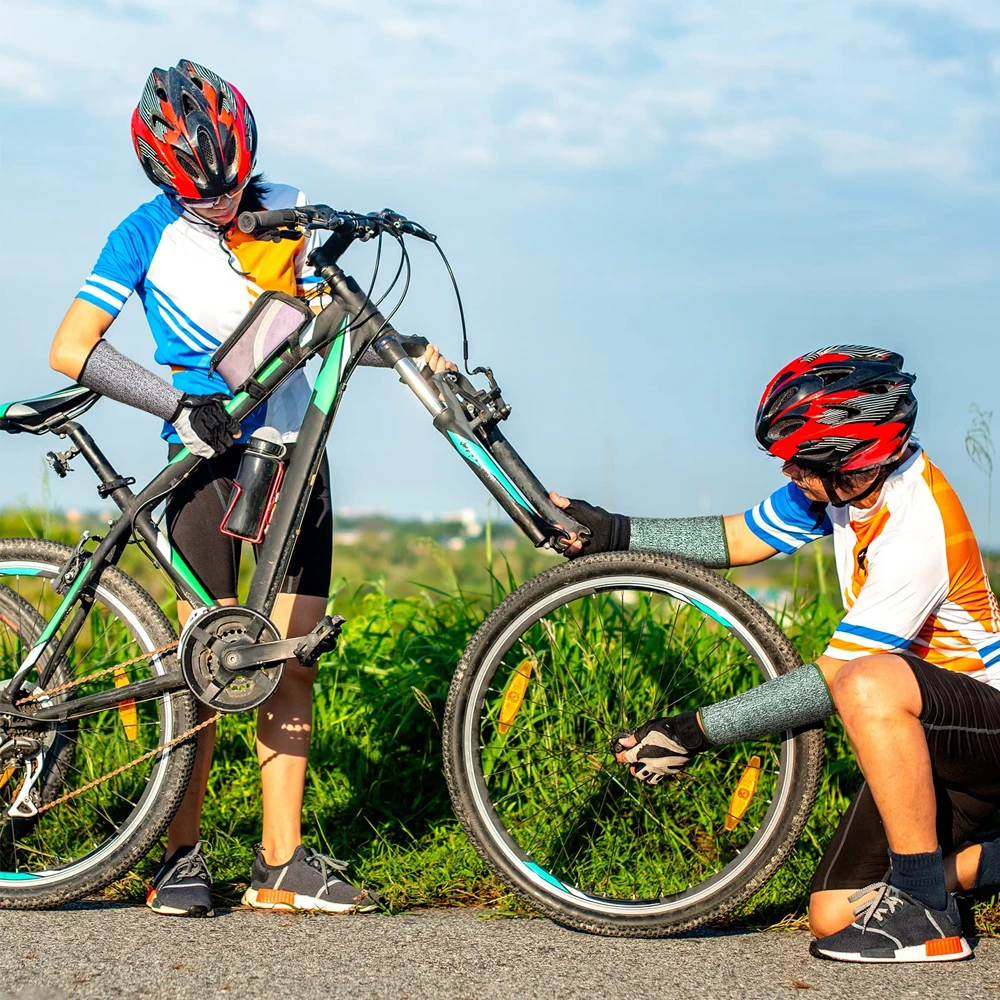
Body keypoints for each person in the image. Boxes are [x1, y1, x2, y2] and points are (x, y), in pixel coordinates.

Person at [49, 59, 454, 918]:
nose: (223, 206)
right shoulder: (141, 234)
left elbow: (322, 328)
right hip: (207, 465)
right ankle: (180, 855)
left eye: (232, 186)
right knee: (204, 667)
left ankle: (282, 864)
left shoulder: (288, 209)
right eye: (202, 196)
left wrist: (410, 351)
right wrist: (178, 404)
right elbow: (73, 347)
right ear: (163, 178)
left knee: (290, 661)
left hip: (296, 456)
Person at [552, 345, 1000, 963]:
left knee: (866, 683)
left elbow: (833, 681)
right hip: (929, 748)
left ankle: (926, 912)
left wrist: (697, 731)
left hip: (984, 732)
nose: (789, 473)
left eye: (798, 462)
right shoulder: (846, 490)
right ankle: (984, 860)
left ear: (850, 460)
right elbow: (739, 536)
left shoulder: (917, 524)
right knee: (831, 912)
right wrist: (614, 533)